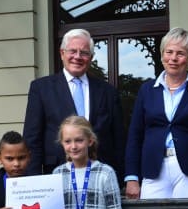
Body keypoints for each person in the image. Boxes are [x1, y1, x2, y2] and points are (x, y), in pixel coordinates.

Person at [23, 28, 124, 182]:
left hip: (100, 176)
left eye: (84, 52)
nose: (78, 57)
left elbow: (119, 139)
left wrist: (125, 177)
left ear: (91, 57)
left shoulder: (108, 91)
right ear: (62, 53)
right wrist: (33, 181)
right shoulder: (41, 89)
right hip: (57, 175)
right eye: (72, 51)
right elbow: (32, 139)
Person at [124, 27, 188, 199]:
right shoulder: (147, 90)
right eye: (169, 52)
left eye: (180, 53)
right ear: (162, 54)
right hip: (153, 168)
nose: (173, 58)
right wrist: (132, 177)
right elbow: (135, 135)